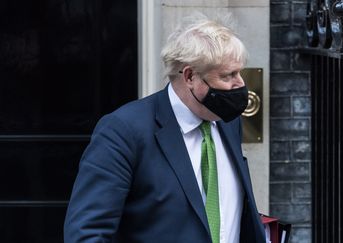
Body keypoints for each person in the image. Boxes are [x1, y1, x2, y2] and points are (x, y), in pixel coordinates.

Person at [64, 13, 266, 243]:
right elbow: (87, 233)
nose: (240, 83)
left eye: (239, 72)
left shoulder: (228, 121)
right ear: (190, 76)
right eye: (228, 75)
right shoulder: (123, 131)